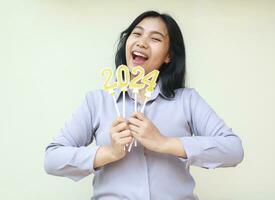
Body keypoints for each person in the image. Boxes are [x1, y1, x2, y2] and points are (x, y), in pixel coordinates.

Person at [44, 10, 244, 200]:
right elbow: (52, 159)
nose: (142, 42)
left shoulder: (187, 100)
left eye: (155, 38)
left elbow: (233, 150)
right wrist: (109, 153)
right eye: (136, 34)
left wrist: (165, 143)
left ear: (169, 56)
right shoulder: (97, 101)